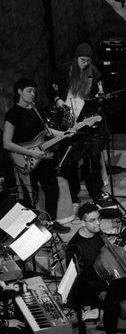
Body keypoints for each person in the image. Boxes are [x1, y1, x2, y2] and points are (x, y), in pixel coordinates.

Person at [64, 202, 126, 334]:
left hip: (102, 277)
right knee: (112, 301)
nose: (97, 223)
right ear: (82, 222)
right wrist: (102, 289)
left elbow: (105, 257)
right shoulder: (75, 247)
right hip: (86, 288)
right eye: (92, 220)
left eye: (98, 219)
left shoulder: (98, 233)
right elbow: (78, 277)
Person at [2, 77, 69, 232]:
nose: (33, 94)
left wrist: (66, 133)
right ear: (19, 91)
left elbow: (47, 132)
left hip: (43, 158)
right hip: (25, 160)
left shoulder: (36, 109)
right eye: (29, 91)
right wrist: (29, 152)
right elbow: (6, 143)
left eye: (34, 91)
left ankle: (51, 223)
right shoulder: (13, 114)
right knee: (31, 196)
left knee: (52, 188)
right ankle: (32, 230)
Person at [48, 42, 106, 203]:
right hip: (67, 120)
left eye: (88, 60)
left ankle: (95, 190)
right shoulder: (64, 70)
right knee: (70, 160)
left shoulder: (94, 72)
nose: (85, 63)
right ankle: (73, 195)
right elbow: (50, 89)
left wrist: (101, 93)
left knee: (92, 158)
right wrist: (57, 99)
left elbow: (100, 90)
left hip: (86, 121)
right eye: (82, 60)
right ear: (76, 58)